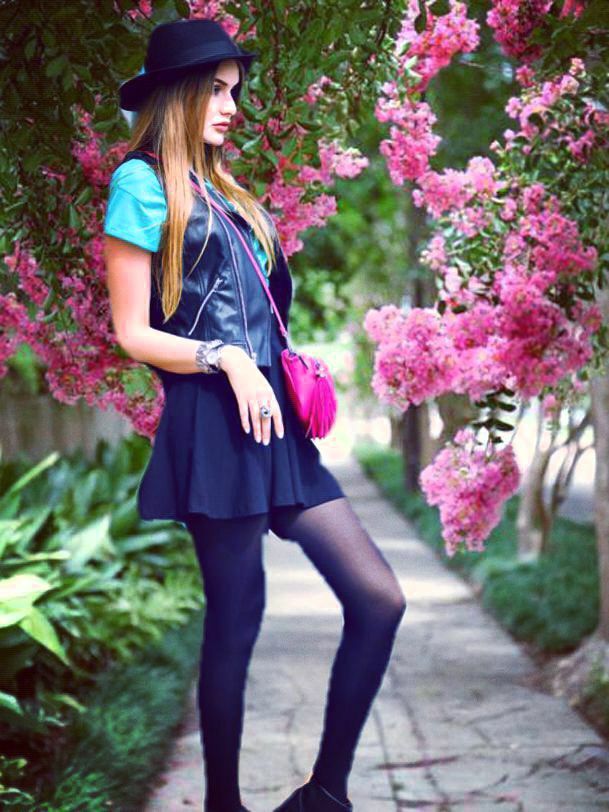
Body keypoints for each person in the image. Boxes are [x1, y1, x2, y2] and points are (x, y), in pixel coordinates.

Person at [103, 18, 407, 812]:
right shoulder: (139, 184)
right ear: (176, 94)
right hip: (213, 423)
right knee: (236, 625)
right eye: (214, 90)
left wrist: (266, 362)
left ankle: (324, 793)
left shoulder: (226, 192)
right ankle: (224, 806)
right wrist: (224, 357)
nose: (230, 106)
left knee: (378, 598)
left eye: (234, 91)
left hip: (277, 428)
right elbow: (133, 332)